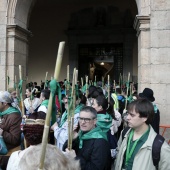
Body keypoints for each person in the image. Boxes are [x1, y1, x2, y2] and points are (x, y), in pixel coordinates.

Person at [7, 115, 80, 170]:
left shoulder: (14, 157)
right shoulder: (62, 156)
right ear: (47, 136)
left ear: (25, 136)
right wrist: (73, 158)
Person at [114, 99, 170, 170]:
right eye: (128, 114)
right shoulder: (124, 133)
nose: (127, 118)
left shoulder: (160, 146)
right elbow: (118, 154)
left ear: (144, 118)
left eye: (132, 115)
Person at [0, 91, 22, 169]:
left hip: (8, 155)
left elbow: (15, 139)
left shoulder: (14, 116)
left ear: (4, 103)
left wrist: (2, 132)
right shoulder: (2, 113)